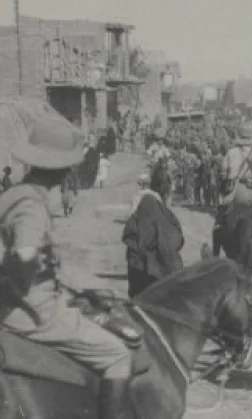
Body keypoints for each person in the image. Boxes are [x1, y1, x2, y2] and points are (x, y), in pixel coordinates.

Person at [0, 114, 135, 419]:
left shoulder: (14, 193)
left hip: (17, 300)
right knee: (117, 355)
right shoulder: (31, 205)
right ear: (60, 170)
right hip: (33, 311)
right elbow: (24, 251)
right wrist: (25, 270)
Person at [121, 166, 184, 297]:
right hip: (151, 271)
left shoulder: (144, 202)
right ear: (166, 192)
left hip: (138, 267)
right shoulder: (158, 209)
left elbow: (130, 230)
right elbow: (176, 240)